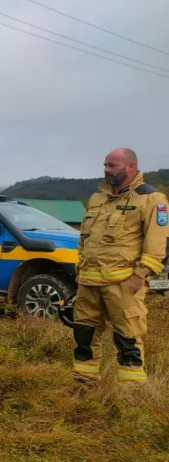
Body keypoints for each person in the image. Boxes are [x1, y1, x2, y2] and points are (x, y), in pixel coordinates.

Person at [72, 148, 169, 387]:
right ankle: (84, 383)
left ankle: (131, 392)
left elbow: (159, 244)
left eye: (112, 165)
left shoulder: (152, 199)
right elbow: (84, 239)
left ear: (131, 167)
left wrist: (140, 275)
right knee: (84, 334)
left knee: (128, 337)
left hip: (124, 283)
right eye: (105, 165)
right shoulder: (97, 199)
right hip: (88, 282)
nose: (106, 170)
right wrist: (80, 268)